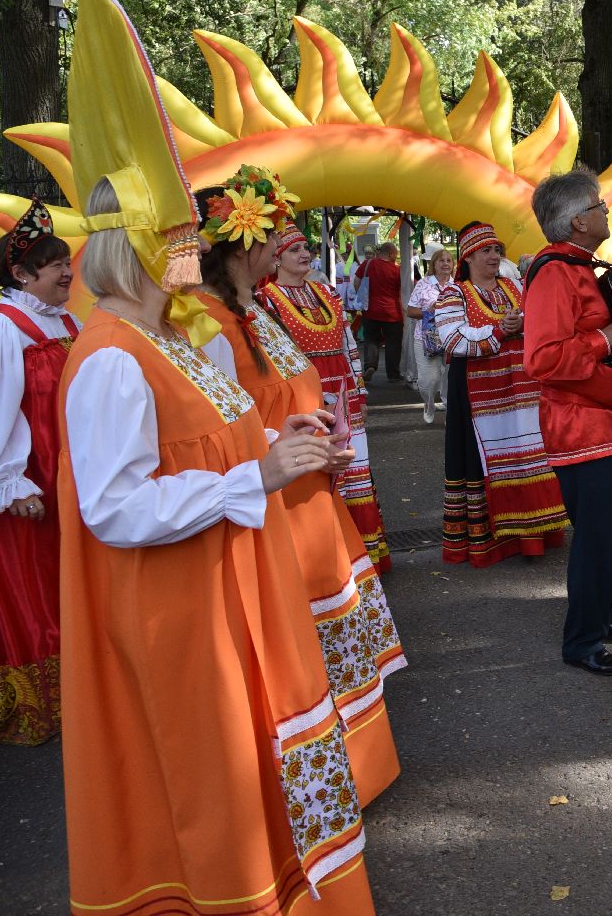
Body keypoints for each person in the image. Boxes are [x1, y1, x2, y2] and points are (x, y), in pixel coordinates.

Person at [55, 0, 375, 913]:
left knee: (263, 766)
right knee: (210, 788)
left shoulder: (171, 340)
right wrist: (261, 474)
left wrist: (277, 454)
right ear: (147, 248)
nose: (197, 250)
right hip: (180, 607)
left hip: (229, 585)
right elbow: (114, 508)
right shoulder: (113, 356)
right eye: (182, 237)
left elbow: (226, 434)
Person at [195, 168, 407, 805]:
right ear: (245, 243)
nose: (283, 242)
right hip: (276, 511)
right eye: (272, 232)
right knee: (300, 658)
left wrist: (319, 438)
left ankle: (355, 768)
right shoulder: (210, 325)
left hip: (313, 503)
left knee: (332, 646)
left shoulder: (255, 309)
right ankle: (319, 783)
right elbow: (220, 433)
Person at [524, 168, 612, 676]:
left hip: (610, 423)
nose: (605, 213)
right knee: (598, 535)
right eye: (598, 207)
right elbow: (542, 359)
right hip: (580, 428)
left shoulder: (580, 267)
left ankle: (601, 614)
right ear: (578, 221)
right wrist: (609, 338)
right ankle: (582, 641)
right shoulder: (554, 273)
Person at [434, 221, 568, 567]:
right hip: (478, 393)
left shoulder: (513, 286)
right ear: (468, 256)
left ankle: (535, 531)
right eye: (485, 251)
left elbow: (538, 320)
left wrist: (523, 324)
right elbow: (452, 339)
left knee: (527, 451)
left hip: (521, 388)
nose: (493, 256)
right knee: (485, 459)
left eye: (496, 250)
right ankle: (492, 540)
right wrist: (498, 329)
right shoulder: (454, 293)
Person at [259, 223, 392, 572]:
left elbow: (349, 344)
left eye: (306, 246)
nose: (305, 253)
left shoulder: (327, 292)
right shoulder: (267, 300)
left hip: (344, 394)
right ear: (275, 258)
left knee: (355, 468)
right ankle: (329, 563)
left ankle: (364, 559)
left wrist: (359, 388)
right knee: (322, 475)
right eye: (294, 249)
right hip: (307, 401)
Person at [0, 200, 75, 745]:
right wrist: (10, 480)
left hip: (69, 474)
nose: (68, 272)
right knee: (36, 591)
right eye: (55, 266)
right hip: (31, 481)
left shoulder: (69, 320)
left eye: (67, 261)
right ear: (21, 273)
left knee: (66, 583)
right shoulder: (5, 327)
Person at [405, 247, 455, 423]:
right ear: (434, 264)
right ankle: (428, 402)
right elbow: (410, 311)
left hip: (451, 337)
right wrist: (430, 311)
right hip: (426, 338)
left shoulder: (457, 285)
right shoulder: (424, 284)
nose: (445, 264)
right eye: (441, 260)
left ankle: (451, 410)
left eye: (449, 260)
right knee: (429, 380)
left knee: (451, 377)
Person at [356, 241, 403, 381]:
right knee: (393, 343)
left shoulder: (367, 264)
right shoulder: (397, 270)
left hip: (370, 309)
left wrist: (362, 296)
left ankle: (370, 365)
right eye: (396, 253)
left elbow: (357, 281)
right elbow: (403, 290)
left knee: (371, 339)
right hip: (392, 312)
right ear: (391, 253)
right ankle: (393, 374)